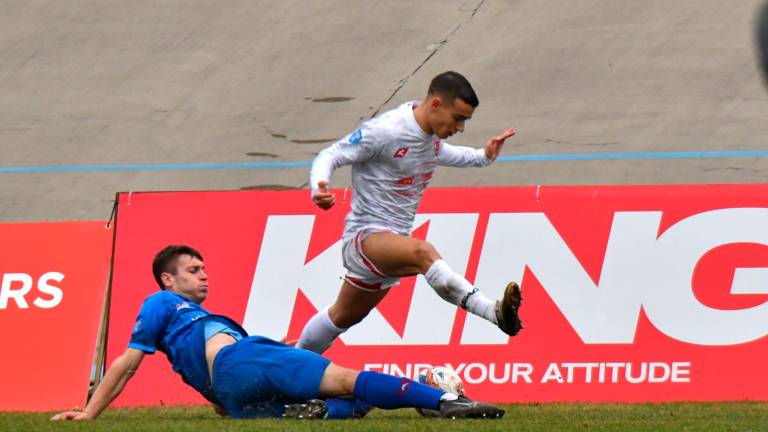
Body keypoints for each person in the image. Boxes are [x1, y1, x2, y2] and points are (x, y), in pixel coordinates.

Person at [51, 245, 504, 421]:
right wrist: (91, 412)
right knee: (345, 378)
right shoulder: (163, 303)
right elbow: (129, 360)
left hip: (233, 398)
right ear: (168, 280)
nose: (204, 276)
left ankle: (328, 410)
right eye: (193, 270)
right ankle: (444, 401)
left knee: (340, 404)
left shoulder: (191, 325)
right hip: (240, 364)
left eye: (205, 267)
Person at [297, 71, 523, 354]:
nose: (461, 127)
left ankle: (284, 365)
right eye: (458, 118)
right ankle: (493, 312)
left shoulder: (431, 139)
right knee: (422, 253)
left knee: (341, 318)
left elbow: (452, 154)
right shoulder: (386, 130)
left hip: (391, 244)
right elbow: (331, 154)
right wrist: (319, 187)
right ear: (436, 104)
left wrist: (484, 155)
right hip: (365, 238)